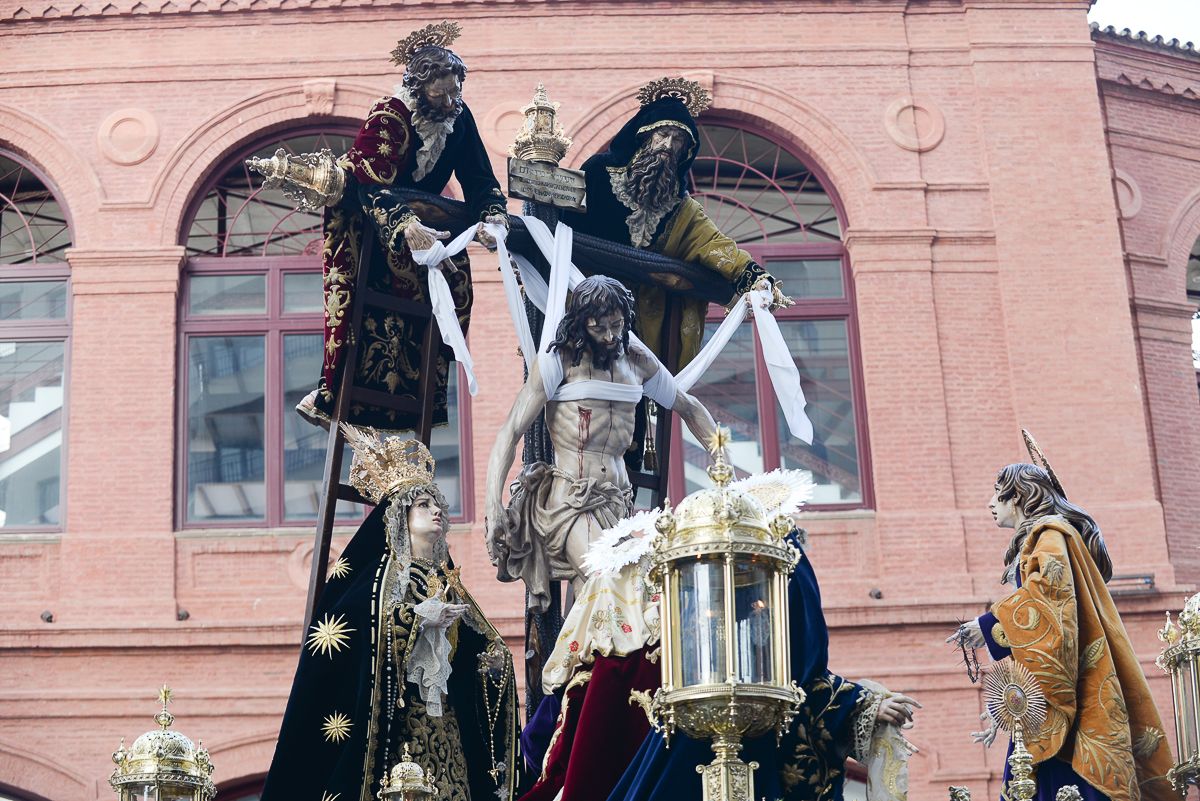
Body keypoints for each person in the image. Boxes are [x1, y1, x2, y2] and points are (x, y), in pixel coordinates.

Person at [260, 430, 520, 801]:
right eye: (423, 505)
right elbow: (354, 636)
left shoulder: (449, 583)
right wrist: (415, 620)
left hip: (447, 738)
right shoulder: (377, 581)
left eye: (437, 505)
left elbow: (475, 652)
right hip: (397, 740)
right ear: (399, 516)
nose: (436, 511)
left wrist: (491, 661)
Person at [295, 20, 508, 432]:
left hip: (426, 223)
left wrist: (492, 216)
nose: (450, 101)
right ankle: (332, 392)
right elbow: (369, 180)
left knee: (453, 288)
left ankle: (423, 394)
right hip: (374, 222)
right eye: (440, 92)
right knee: (369, 311)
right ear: (419, 87)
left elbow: (481, 179)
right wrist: (404, 223)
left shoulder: (459, 120)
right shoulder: (390, 116)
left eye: (455, 89)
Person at [947, 438, 1175, 801]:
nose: (990, 504)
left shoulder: (1050, 536)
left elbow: (1052, 601)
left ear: (1018, 497)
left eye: (996, 494)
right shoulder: (1045, 540)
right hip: (1055, 697)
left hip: (1074, 709)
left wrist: (989, 626)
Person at [484, 275, 722, 610]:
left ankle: (573, 664)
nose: (610, 337)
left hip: (619, 500)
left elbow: (690, 407)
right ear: (581, 324)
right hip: (573, 499)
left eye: (617, 325)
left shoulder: (638, 361)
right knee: (608, 582)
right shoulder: (560, 362)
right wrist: (492, 504)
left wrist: (723, 466)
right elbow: (509, 432)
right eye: (599, 328)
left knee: (593, 606)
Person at [561, 76, 789, 368]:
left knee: (641, 389)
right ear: (645, 135)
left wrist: (753, 277)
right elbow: (563, 221)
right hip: (589, 303)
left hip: (644, 316)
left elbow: (713, 243)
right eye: (662, 134)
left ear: (685, 151)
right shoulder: (598, 173)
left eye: (678, 139)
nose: (668, 145)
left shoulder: (681, 207)